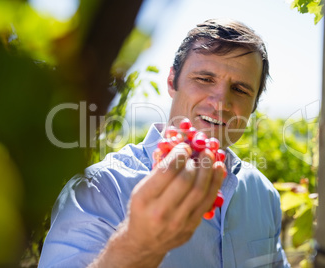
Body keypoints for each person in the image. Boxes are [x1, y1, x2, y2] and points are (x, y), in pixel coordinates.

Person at [39, 18, 291, 267]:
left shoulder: (263, 193)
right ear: (172, 82)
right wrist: (138, 245)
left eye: (240, 89)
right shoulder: (99, 189)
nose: (221, 102)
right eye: (204, 78)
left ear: (254, 105)